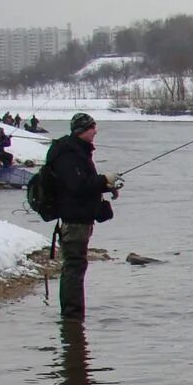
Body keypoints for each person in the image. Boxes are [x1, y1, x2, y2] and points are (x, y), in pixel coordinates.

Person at [41, 112, 118, 320]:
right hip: (74, 220)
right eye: (93, 128)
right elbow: (76, 186)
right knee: (74, 266)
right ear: (83, 130)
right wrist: (103, 180)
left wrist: (106, 186)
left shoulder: (77, 151)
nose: (96, 132)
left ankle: (73, 317)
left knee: (76, 265)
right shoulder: (69, 153)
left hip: (80, 217)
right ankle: (72, 317)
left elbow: (82, 184)